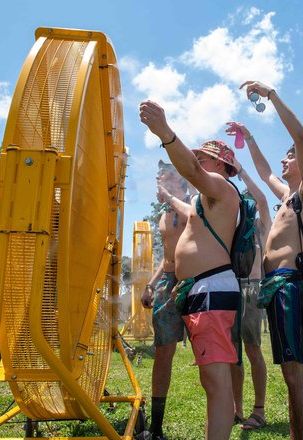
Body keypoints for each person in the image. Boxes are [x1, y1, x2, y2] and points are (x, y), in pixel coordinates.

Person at [140, 99, 242, 440]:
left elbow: (193, 174)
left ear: (225, 165)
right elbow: (186, 202)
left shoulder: (223, 188)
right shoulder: (206, 201)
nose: (197, 161)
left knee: (215, 383)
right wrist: (169, 197)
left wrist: (166, 133)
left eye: (205, 157)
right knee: (212, 381)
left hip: (210, 290)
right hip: (204, 290)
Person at [240, 80, 303, 440]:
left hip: (290, 282)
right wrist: (249, 138)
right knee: (289, 373)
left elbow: (301, 138)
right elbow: (263, 173)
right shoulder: (289, 196)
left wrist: (271, 95)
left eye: (289, 156)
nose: (284, 159)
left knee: (294, 372)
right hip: (276, 285)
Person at [222, 124, 272, 431]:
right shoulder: (233, 225)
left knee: (252, 350)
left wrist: (239, 169)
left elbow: (261, 197)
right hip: (230, 286)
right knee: (233, 353)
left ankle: (259, 409)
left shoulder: (261, 221)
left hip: (252, 290)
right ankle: (236, 409)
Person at [140, 161, 190, 440]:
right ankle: (156, 429)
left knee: (209, 355)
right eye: (158, 176)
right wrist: (151, 283)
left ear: (178, 180)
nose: (159, 180)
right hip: (167, 283)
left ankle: (231, 412)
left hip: (193, 283)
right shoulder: (164, 214)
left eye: (165, 175)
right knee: (162, 352)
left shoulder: (193, 203)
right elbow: (167, 256)